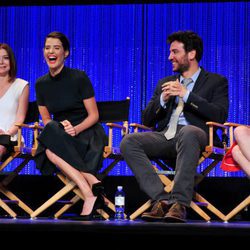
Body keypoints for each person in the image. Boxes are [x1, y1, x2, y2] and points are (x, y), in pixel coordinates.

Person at [120, 30, 229, 223]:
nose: (170, 57)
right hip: (165, 137)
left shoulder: (216, 81)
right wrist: (162, 100)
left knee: (187, 132)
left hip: (197, 136)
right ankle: (161, 200)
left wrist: (187, 95)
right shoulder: (165, 83)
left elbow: (220, 115)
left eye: (175, 52)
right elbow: (146, 120)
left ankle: (180, 203)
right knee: (129, 141)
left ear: (192, 54)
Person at [35, 31, 107, 220]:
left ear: (65, 53)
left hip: (87, 132)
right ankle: (90, 185)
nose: (51, 51)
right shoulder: (40, 84)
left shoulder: (79, 77)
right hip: (60, 133)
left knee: (50, 151)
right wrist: (61, 128)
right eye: (47, 47)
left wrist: (76, 129)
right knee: (50, 134)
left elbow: (94, 115)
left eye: (56, 47)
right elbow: (46, 120)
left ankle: (89, 192)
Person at [0, 43, 29, 162]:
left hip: (11, 136)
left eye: (5, 58)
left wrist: (6, 133)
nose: (1, 62)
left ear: (11, 61)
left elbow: (20, 119)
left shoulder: (22, 85)